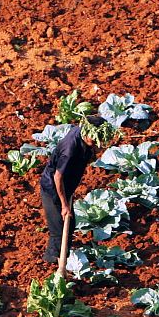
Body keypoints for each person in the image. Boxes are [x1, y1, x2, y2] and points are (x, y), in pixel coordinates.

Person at [40, 115, 111, 272]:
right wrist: (64, 204)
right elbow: (57, 177)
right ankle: (58, 267)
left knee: (70, 224)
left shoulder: (82, 134)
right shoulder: (70, 150)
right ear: (86, 133)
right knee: (59, 228)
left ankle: (58, 257)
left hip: (67, 186)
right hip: (53, 189)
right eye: (94, 139)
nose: (96, 143)